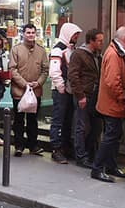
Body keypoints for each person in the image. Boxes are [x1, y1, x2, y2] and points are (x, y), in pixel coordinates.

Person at [91, 26, 125, 183]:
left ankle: (110, 166)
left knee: (114, 136)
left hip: (114, 104)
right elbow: (112, 81)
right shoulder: (113, 54)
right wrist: (123, 97)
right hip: (113, 104)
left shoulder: (117, 52)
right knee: (110, 136)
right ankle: (98, 168)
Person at [9, 24, 48, 157]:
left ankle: (33, 145)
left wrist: (38, 83)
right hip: (19, 91)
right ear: (23, 34)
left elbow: (45, 70)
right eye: (28, 32)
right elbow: (12, 70)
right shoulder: (16, 50)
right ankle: (19, 146)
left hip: (35, 91)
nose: (31, 35)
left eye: (33, 32)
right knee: (19, 120)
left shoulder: (41, 51)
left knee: (33, 120)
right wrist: (25, 84)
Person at [68, 28, 105, 168]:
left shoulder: (97, 55)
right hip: (83, 95)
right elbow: (73, 76)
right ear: (91, 41)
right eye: (99, 40)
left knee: (95, 127)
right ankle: (81, 156)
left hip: (95, 95)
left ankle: (91, 154)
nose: (102, 43)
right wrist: (80, 96)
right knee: (81, 126)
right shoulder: (79, 54)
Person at [49, 22, 82, 164]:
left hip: (68, 90)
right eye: (75, 34)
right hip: (61, 91)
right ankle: (56, 149)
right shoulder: (58, 50)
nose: (76, 37)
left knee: (67, 120)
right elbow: (54, 71)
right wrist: (61, 88)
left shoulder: (71, 48)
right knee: (58, 120)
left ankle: (65, 147)